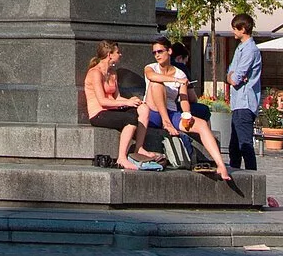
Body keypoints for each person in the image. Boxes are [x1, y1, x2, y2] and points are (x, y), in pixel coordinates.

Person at [130, 39, 229, 179]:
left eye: (160, 51)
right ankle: (166, 123)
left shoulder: (180, 73)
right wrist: (175, 81)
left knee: (201, 124)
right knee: (157, 84)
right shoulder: (151, 67)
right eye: (154, 52)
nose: (157, 55)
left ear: (169, 51)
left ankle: (220, 164)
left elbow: (184, 99)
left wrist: (187, 114)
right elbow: (151, 76)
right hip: (153, 111)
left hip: (171, 112)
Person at [81, 41, 141, 169]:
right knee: (131, 119)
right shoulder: (95, 73)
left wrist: (134, 102)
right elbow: (102, 101)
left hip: (112, 110)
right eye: (118, 52)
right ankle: (122, 157)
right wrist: (127, 102)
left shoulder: (113, 73)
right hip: (99, 114)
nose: (121, 54)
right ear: (109, 55)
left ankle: (140, 149)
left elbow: (117, 97)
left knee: (141, 110)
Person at [225, 13, 262, 173]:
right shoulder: (240, 48)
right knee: (234, 147)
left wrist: (232, 77)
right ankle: (236, 176)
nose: (233, 32)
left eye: (235, 29)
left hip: (245, 103)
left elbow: (235, 78)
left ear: (243, 29)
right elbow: (230, 73)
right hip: (237, 103)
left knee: (244, 144)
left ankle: (252, 179)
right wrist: (231, 76)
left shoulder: (250, 50)